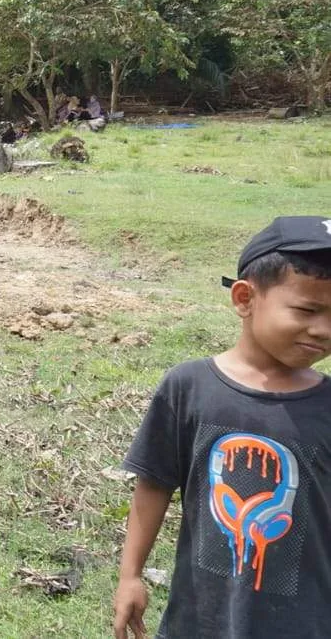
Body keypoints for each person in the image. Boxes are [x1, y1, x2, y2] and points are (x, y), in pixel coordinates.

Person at [113, 216, 331, 639]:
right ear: (245, 298)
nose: (324, 330)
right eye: (307, 310)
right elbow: (154, 482)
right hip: (200, 620)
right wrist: (130, 575)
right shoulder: (188, 387)